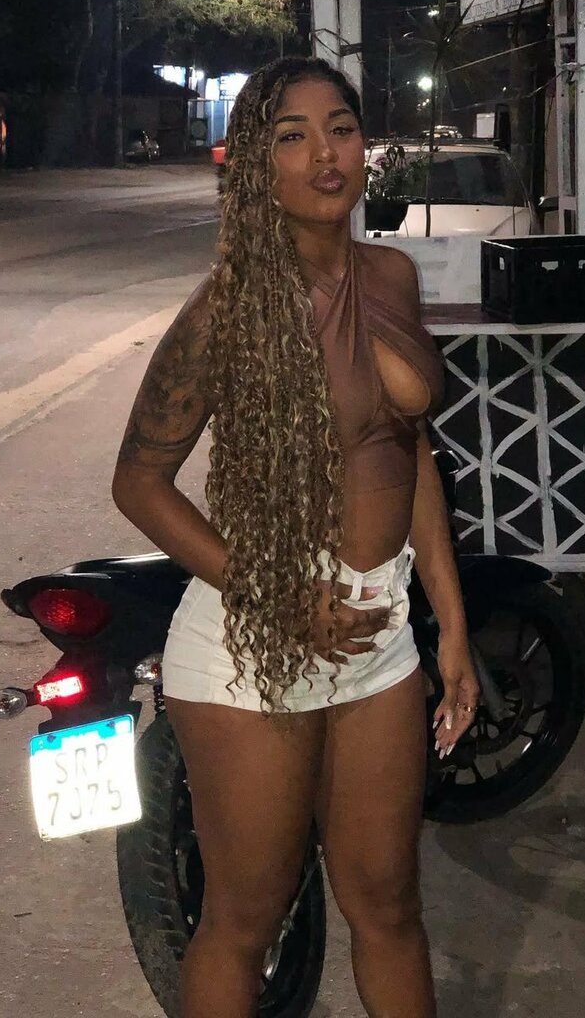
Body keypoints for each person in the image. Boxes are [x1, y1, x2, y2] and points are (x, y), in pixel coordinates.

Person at [112, 56, 479, 1018]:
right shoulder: (229, 308)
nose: (325, 153)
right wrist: (276, 596)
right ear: (254, 165)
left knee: (389, 908)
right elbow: (138, 483)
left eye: (341, 127)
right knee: (244, 920)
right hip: (254, 642)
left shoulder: (391, 275)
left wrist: (449, 624)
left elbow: (408, 453)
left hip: (379, 635)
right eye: (292, 135)